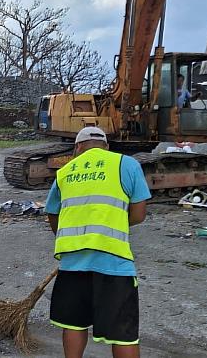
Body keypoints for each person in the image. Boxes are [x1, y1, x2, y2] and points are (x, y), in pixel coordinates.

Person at [45, 126, 150, 358]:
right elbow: (139, 214)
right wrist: (114, 226)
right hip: (115, 265)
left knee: (73, 325)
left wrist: (69, 239)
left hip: (72, 263)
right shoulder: (126, 164)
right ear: (106, 146)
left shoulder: (64, 171)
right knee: (124, 334)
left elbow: (53, 214)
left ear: (77, 148)